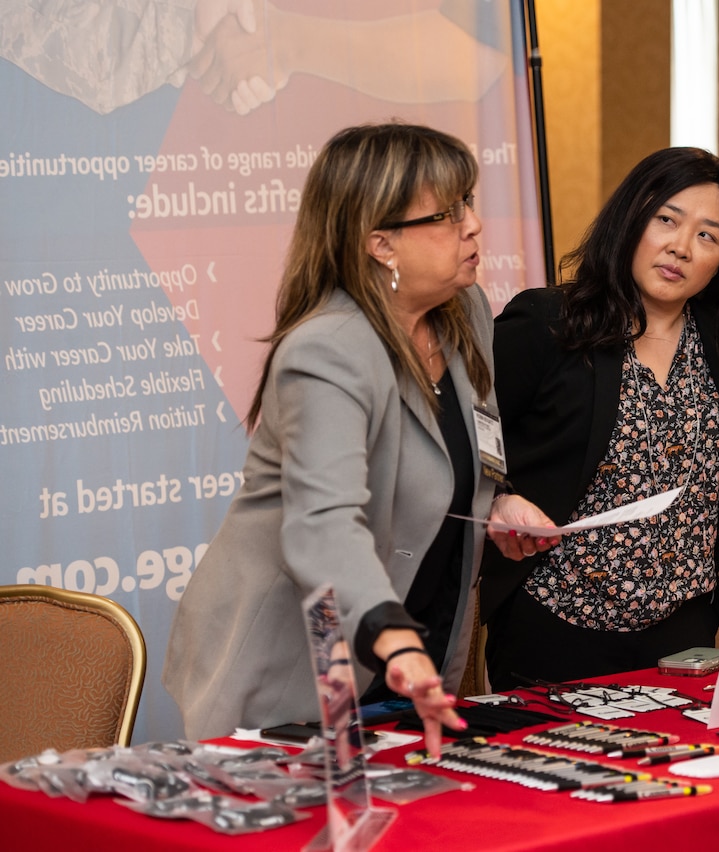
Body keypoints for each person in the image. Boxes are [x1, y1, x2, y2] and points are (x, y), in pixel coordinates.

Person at [163, 122, 554, 757]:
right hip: (295, 666)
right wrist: (392, 636)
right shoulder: (328, 349)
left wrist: (499, 498)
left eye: (471, 204)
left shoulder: (469, 311)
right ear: (381, 244)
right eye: (449, 214)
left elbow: (463, 449)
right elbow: (322, 524)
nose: (474, 226)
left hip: (412, 657)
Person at [480, 147, 719, 690]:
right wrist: (501, 494)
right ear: (631, 218)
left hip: (683, 636)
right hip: (557, 626)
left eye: (708, 236)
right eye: (667, 220)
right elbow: (468, 437)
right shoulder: (548, 324)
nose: (681, 248)